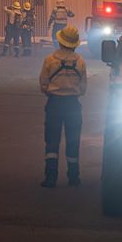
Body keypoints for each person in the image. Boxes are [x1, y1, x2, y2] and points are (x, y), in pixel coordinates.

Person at [39, 25, 87, 188]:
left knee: (52, 142)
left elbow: (43, 85)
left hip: (54, 104)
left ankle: (50, 178)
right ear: (74, 44)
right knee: (73, 141)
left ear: (60, 42)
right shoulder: (80, 61)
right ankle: (74, 177)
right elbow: (83, 88)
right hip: (73, 105)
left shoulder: (50, 60)